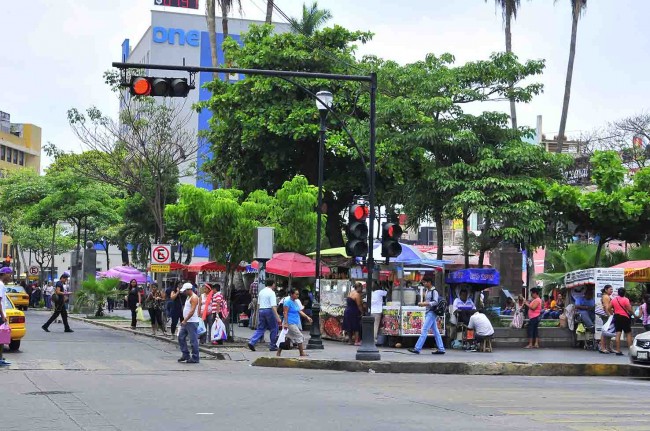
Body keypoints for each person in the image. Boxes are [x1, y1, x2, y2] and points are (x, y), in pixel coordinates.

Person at [408, 276, 445, 355]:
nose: (424, 284)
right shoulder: (428, 291)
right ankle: (441, 349)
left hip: (432, 312)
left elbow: (435, 302)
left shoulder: (434, 291)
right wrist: (424, 303)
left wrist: (424, 303)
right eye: (423, 282)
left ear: (429, 282)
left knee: (424, 330)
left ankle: (417, 348)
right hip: (429, 312)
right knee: (436, 331)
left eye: (425, 282)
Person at [277, 288, 313, 357]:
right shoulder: (287, 302)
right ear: (291, 294)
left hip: (294, 322)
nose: (298, 296)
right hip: (290, 323)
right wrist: (286, 323)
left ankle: (278, 353)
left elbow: (299, 311)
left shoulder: (295, 302)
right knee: (299, 336)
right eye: (296, 294)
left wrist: (307, 317)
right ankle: (301, 353)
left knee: (286, 337)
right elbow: (285, 313)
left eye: (298, 294)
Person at [248, 279, 281, 352]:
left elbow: (258, 304)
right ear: (273, 284)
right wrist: (278, 317)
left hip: (261, 310)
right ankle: (272, 345)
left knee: (261, 328)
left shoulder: (261, 292)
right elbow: (273, 306)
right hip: (269, 310)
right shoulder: (271, 293)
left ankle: (252, 342)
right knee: (274, 328)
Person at [177, 283, 200, 364]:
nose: (184, 292)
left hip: (191, 322)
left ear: (189, 290)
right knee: (181, 337)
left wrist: (185, 320)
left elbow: (192, 310)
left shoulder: (194, 297)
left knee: (193, 340)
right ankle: (185, 354)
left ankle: (195, 357)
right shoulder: (188, 297)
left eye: (185, 291)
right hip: (187, 321)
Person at [609, 287, 634, 356]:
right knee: (628, 334)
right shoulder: (626, 300)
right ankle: (631, 351)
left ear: (618, 293)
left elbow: (608, 308)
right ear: (624, 293)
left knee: (618, 333)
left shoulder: (614, 299)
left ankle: (618, 350)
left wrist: (612, 313)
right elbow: (629, 309)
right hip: (625, 318)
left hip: (617, 317)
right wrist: (634, 314)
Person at [0, 267, 12, 366]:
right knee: (1, 337)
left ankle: (1, 358)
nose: (10, 276)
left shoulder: (2, 284)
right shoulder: (0, 285)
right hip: (0, 315)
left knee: (2, 337)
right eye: (9, 274)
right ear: (4, 274)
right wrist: (2, 315)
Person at [598, 285, 614, 353]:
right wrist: (610, 316)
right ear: (606, 290)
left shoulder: (606, 296)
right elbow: (606, 307)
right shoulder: (606, 297)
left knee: (608, 332)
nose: (612, 291)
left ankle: (608, 347)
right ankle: (602, 348)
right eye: (610, 289)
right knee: (605, 332)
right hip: (607, 316)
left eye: (612, 289)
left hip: (608, 315)